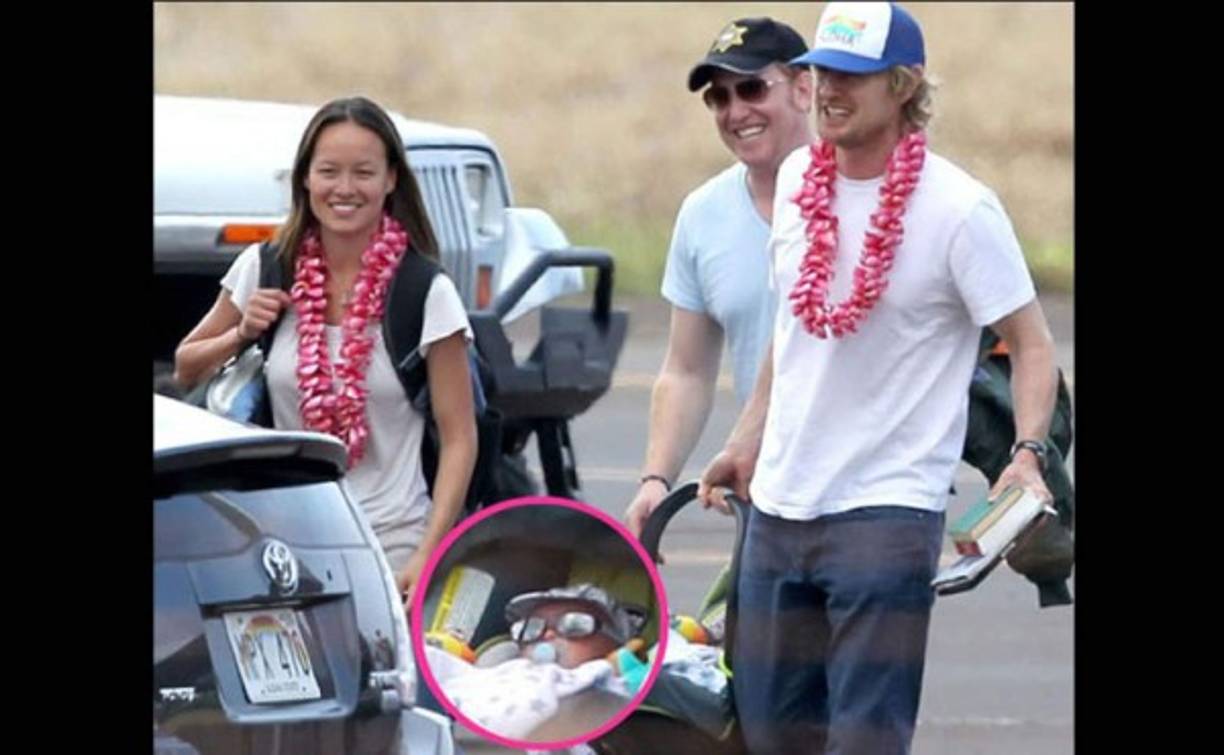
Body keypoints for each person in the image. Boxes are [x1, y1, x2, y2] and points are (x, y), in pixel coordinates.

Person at [696, 3, 1060, 753]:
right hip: (780, 506)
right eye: (823, 70)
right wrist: (745, 438)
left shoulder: (960, 210)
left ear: (903, 85)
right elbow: (792, 331)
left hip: (886, 512)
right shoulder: (799, 177)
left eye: (852, 76)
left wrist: (1027, 455)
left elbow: (1031, 344)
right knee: (768, 734)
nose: (830, 88)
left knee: (863, 739)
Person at [173, 96, 477, 605]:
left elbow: (460, 437)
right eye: (329, 171)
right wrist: (242, 332)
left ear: (390, 180)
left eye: (364, 172)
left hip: (392, 542)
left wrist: (430, 550)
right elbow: (186, 367)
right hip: (283, 542)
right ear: (306, 180)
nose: (344, 189)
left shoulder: (424, 291)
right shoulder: (267, 266)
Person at [624, 17, 815, 537]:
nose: (736, 112)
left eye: (752, 88)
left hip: (866, 491)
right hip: (764, 489)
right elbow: (686, 370)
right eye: (719, 98)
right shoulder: (703, 214)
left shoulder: (861, 196)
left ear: (804, 88)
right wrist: (656, 479)